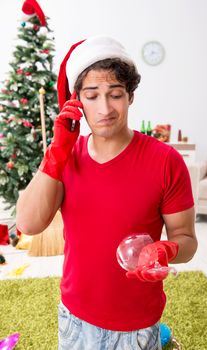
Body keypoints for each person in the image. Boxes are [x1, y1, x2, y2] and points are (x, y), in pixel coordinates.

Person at [16, 35, 197, 350]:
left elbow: (187, 240)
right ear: (77, 101)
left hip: (137, 326)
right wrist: (56, 153)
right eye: (92, 95)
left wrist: (166, 249)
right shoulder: (65, 157)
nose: (104, 109)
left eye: (115, 94)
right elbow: (28, 225)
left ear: (130, 96)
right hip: (73, 318)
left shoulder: (165, 161)